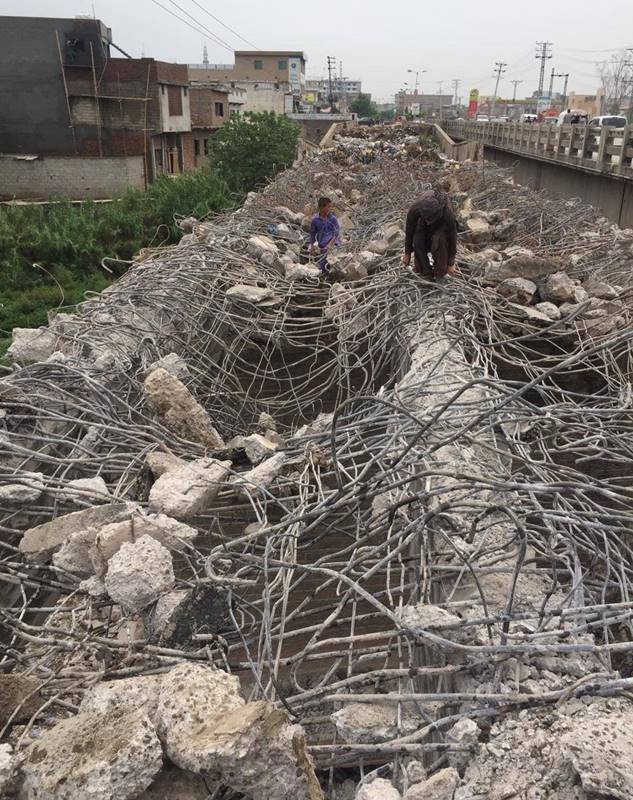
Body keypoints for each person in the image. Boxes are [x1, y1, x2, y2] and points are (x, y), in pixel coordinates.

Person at [402, 185, 457, 281]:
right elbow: (409, 231)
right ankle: (424, 272)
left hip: (440, 225)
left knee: (439, 241)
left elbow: (453, 236)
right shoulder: (415, 208)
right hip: (422, 223)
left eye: (430, 218)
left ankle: (440, 273)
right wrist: (407, 253)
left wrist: (451, 263)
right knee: (418, 241)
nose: (429, 221)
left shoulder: (447, 211)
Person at [309, 197, 341, 275]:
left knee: (334, 264)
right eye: (328, 207)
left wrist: (330, 244)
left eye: (330, 206)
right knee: (323, 268)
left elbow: (336, 233)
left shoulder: (332, 218)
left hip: (334, 244)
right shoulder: (315, 220)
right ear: (321, 207)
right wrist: (311, 246)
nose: (330, 209)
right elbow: (312, 234)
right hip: (322, 246)